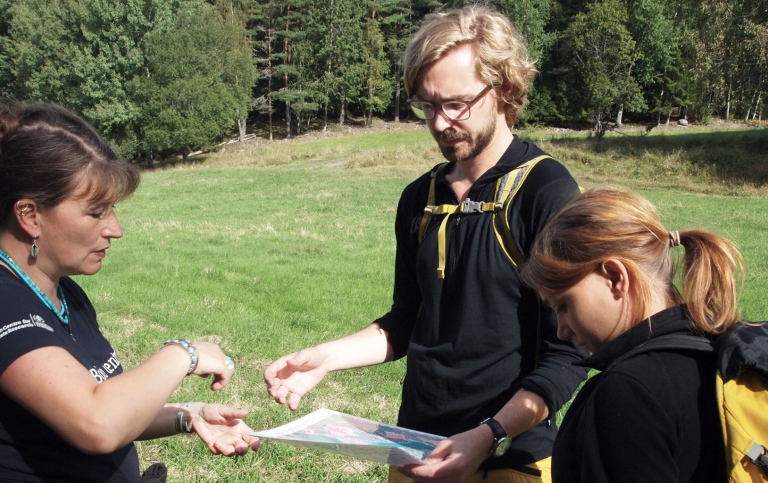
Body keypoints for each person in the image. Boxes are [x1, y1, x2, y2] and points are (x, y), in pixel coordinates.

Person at [264, 5, 588, 482]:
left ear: (504, 90)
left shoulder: (546, 192)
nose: (439, 123)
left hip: (510, 457)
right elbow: (407, 320)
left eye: (456, 104)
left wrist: (488, 435)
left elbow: (568, 354)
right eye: (428, 106)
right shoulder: (419, 198)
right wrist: (325, 359)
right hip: (416, 450)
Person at [0, 102, 260, 482]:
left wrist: (188, 415)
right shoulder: (6, 303)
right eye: (96, 212)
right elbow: (97, 422)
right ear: (30, 216)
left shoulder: (65, 295)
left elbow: (101, 405)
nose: (115, 229)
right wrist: (183, 354)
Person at [518, 186, 742, 482]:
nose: (561, 330)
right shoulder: (723, 352)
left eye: (563, 306)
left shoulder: (629, 392)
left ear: (615, 277)